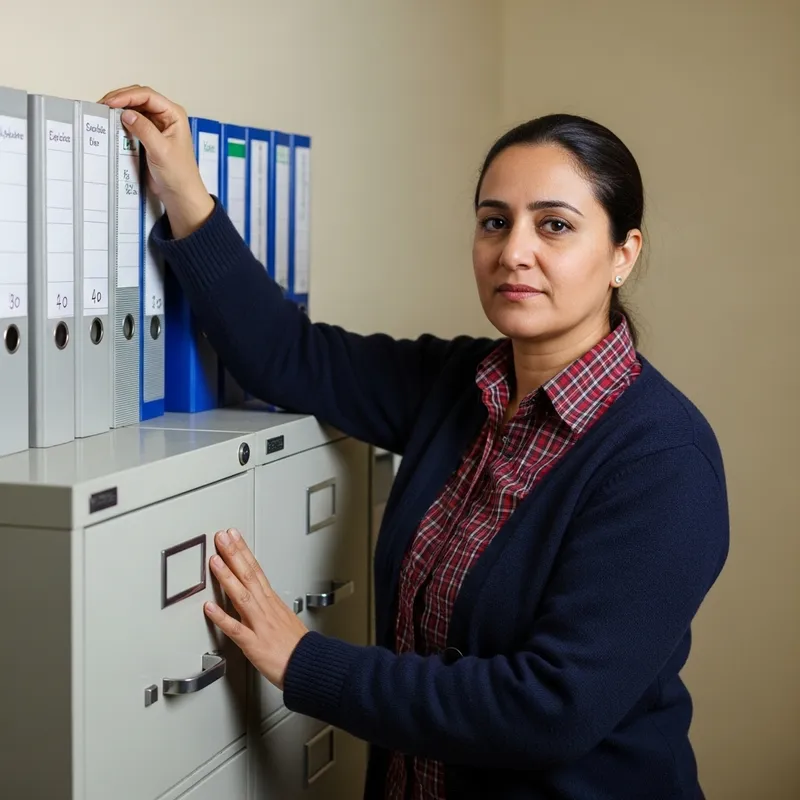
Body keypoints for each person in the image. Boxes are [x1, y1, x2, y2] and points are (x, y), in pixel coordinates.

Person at [100, 85, 729, 799]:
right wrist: (182, 190)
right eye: (495, 222)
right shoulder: (457, 383)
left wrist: (303, 659)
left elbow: (548, 708)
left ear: (623, 253)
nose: (514, 251)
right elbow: (286, 355)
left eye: (554, 226)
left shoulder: (662, 460)